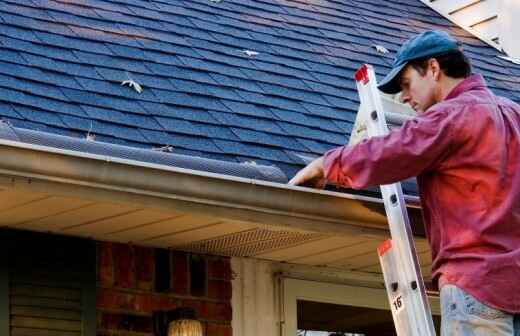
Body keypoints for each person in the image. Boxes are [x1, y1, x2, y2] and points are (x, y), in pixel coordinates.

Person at [289, 30, 520, 335]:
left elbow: (391, 153)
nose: (403, 97)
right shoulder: (513, 114)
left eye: (407, 84)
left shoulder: (451, 116)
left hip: (475, 286)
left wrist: (324, 165)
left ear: (434, 69)